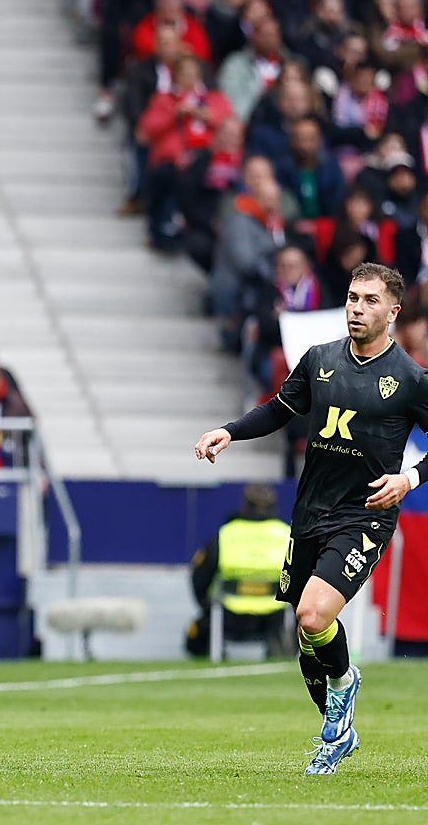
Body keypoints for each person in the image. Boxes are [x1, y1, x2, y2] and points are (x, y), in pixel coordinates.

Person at [194, 262, 428, 775]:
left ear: (393, 311)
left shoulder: (411, 380)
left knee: (312, 615)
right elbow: (280, 409)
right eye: (351, 297)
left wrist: (408, 479)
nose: (356, 308)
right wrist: (230, 431)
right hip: (310, 513)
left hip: (364, 515)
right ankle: (337, 728)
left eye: (369, 301)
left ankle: (346, 688)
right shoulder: (320, 359)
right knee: (309, 641)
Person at [185, 483, 294, 659]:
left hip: (229, 616)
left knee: (195, 637)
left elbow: (200, 578)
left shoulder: (225, 534)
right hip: (275, 618)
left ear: (244, 505)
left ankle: (214, 656)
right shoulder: (287, 535)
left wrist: (205, 606)